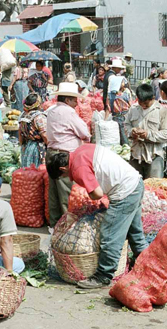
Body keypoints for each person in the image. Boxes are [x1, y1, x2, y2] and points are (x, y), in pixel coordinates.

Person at [46, 143, 148, 289]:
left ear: (63, 168)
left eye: (64, 175)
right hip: (135, 183)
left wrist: (90, 195)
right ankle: (145, 263)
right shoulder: (80, 150)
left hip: (125, 192)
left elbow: (98, 194)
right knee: (135, 232)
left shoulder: (77, 167)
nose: (67, 178)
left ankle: (103, 275)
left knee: (109, 234)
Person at [45, 82, 91, 227]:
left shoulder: (51, 110)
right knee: (66, 193)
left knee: (53, 192)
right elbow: (84, 132)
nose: (77, 103)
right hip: (64, 155)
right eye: (74, 100)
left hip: (51, 152)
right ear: (67, 100)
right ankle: (67, 226)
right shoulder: (68, 112)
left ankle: (54, 224)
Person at [124, 83, 167, 179]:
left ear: (153, 98)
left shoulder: (162, 111)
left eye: (146, 103)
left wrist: (148, 134)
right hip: (136, 154)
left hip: (154, 155)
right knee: (134, 185)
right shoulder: (133, 109)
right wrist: (131, 132)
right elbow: (126, 125)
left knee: (154, 188)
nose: (143, 105)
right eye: (140, 102)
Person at [19, 93, 48, 167]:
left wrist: (22, 146)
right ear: (38, 104)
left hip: (28, 146)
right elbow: (45, 136)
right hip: (37, 148)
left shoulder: (23, 115)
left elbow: (20, 134)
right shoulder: (39, 117)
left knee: (28, 172)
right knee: (37, 172)